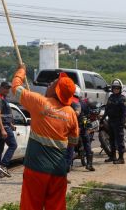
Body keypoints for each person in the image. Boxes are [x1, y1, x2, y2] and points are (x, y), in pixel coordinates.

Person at [11, 64, 79, 210]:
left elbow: (16, 88)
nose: (49, 84)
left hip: (36, 169)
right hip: (58, 172)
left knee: (31, 205)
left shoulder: (39, 102)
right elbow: (74, 141)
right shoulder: (71, 113)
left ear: (56, 90)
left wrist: (21, 70)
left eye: (52, 83)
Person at [0, 81, 17, 178]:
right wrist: (2, 129)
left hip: (3, 125)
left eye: (8, 88)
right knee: (13, 145)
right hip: (1, 127)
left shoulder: (3, 98)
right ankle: (3, 165)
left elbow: (4, 114)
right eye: (5, 88)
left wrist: (10, 124)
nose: (7, 90)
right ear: (0, 88)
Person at [104, 78, 126, 164]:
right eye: (114, 88)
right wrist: (103, 118)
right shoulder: (111, 97)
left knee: (119, 140)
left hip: (118, 122)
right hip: (110, 121)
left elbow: (125, 112)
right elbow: (107, 109)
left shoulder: (122, 99)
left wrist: (123, 121)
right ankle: (113, 156)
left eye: (117, 88)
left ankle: (121, 158)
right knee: (111, 140)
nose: (115, 89)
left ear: (120, 88)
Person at [65, 86, 82, 175]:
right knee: (70, 148)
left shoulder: (65, 99)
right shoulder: (76, 101)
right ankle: (67, 166)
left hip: (64, 128)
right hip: (73, 129)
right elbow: (78, 113)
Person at [79, 96, 96, 171]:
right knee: (87, 142)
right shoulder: (83, 104)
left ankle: (69, 164)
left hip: (71, 125)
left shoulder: (69, 101)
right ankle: (89, 164)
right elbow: (87, 116)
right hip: (80, 126)